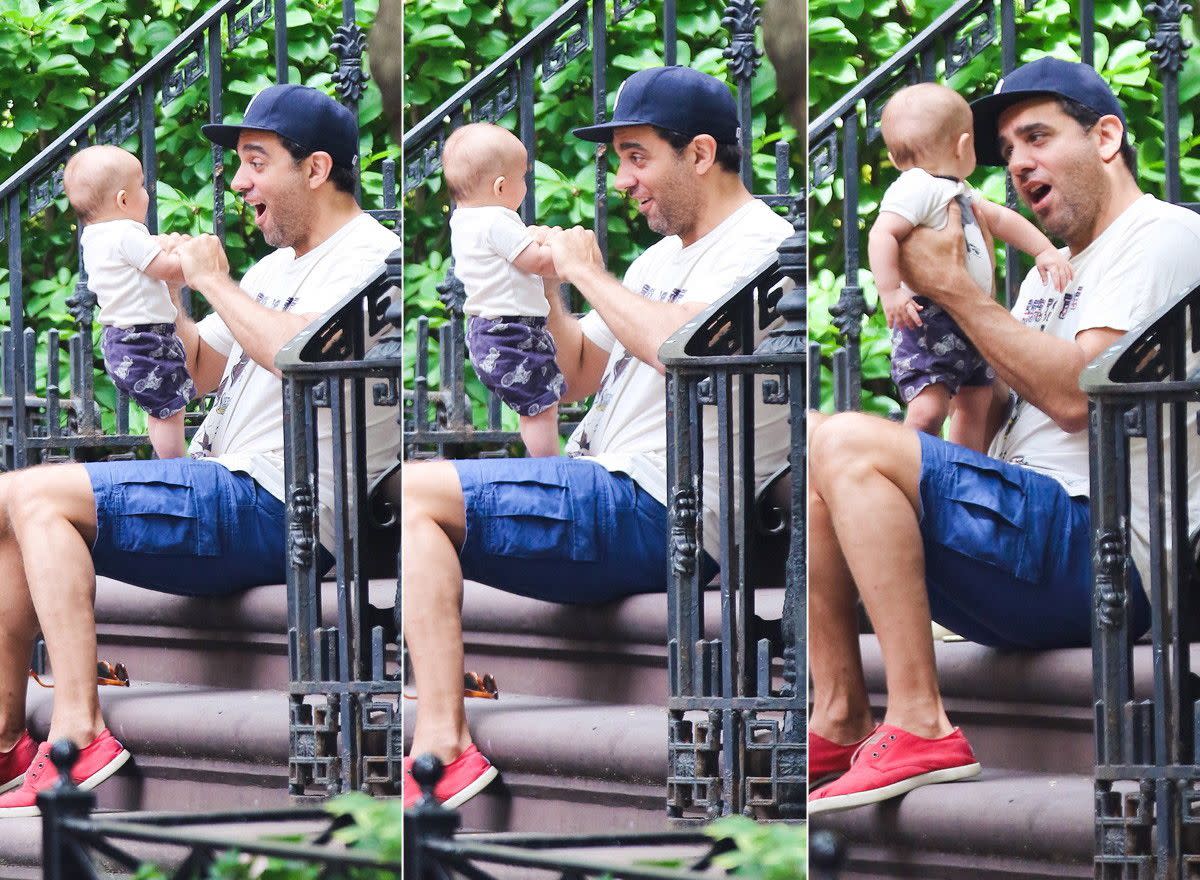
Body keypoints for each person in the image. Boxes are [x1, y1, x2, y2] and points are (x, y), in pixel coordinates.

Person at [808, 57, 1200, 815]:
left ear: (1108, 137)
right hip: (1025, 537)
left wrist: (954, 287)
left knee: (850, 440)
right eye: (1008, 150)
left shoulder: (1166, 237)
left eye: (1039, 137)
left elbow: (1081, 398)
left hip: (1105, 551)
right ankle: (839, 715)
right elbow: (990, 407)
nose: (1018, 163)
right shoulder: (1046, 275)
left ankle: (919, 722)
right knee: (823, 441)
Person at [0, 83, 400, 816]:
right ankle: (4, 745)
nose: (238, 182)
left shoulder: (376, 259)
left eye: (255, 162)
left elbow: (295, 354)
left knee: (29, 493)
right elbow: (204, 369)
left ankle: (78, 731)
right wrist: (159, 306)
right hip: (227, 486)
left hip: (290, 504)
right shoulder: (275, 268)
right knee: (9, 505)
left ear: (315, 169)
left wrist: (213, 280)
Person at [403, 65, 794, 808]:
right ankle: (442, 727)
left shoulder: (765, 249)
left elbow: (687, 347)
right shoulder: (658, 258)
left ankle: (441, 744)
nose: (621, 180)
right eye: (620, 160)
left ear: (702, 155)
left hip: (667, 506)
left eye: (636, 156)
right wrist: (534, 291)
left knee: (421, 491)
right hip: (604, 487)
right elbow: (578, 367)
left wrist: (587, 274)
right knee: (420, 489)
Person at [870, 82, 1073, 451]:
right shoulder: (916, 187)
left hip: (971, 322)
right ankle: (911, 469)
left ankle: (962, 470)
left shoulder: (958, 191)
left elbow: (1002, 220)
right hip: (928, 318)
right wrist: (890, 291)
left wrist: (1045, 250)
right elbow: (883, 233)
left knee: (975, 401)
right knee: (928, 408)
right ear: (964, 146)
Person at [63, 145, 194, 460]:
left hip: (121, 338)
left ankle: (170, 460)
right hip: (144, 337)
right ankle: (176, 465)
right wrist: (190, 257)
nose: (148, 195)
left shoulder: (95, 237)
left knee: (160, 405)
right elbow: (165, 269)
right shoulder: (126, 233)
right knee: (168, 407)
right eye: (142, 187)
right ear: (123, 200)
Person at [442, 122, 564, 457]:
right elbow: (536, 261)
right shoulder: (496, 220)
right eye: (522, 178)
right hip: (510, 329)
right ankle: (550, 466)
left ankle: (546, 462)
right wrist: (559, 248)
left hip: (491, 330)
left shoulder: (465, 220)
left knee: (537, 404)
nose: (525, 185)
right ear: (500, 188)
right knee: (540, 406)